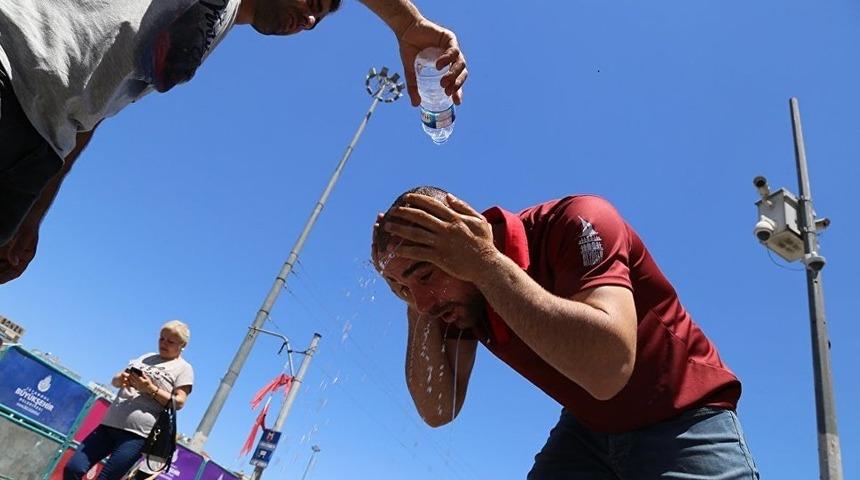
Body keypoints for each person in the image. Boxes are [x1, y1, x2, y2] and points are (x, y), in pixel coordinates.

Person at [0, 0, 468, 283]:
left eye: (319, 20)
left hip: (37, 148)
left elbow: (92, 115)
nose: (308, 18)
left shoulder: (210, 27)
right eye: (313, 1)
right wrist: (408, 25)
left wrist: (34, 210)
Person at [372, 186, 760, 479]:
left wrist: (486, 266)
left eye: (425, 276)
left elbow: (609, 369)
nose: (425, 302)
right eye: (403, 289)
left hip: (684, 415)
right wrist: (411, 294)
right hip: (591, 426)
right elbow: (437, 409)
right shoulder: (452, 299)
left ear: (467, 238)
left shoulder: (575, 222)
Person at [64, 320, 194, 480]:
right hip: (109, 424)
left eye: (170, 341)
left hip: (137, 435)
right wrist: (121, 379)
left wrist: (150, 388)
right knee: (73, 468)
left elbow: (179, 402)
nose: (164, 343)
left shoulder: (184, 368)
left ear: (182, 345)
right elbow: (115, 381)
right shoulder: (146, 357)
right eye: (161, 338)